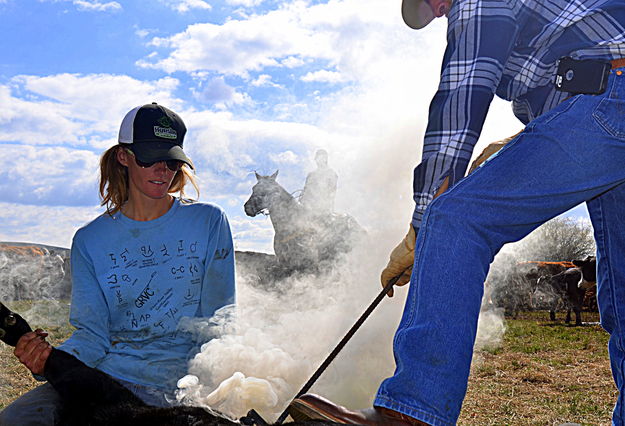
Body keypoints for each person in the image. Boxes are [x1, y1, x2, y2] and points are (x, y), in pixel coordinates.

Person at [288, 0, 625, 425]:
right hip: (609, 103)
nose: (441, 10)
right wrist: (530, 137)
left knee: (456, 218)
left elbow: (463, 92)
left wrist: (421, 225)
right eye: (433, 12)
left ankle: (415, 410)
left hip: (613, 96)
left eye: (434, 3)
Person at [0, 103, 236, 426]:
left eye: (170, 160)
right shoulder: (89, 241)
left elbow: (220, 323)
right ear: (123, 156)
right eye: (148, 157)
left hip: (179, 386)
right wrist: (48, 360)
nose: (162, 170)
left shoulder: (209, 223)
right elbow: (93, 335)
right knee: (14, 419)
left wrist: (206, 389)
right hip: (104, 379)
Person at [300, 149, 338, 214]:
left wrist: (323, 205)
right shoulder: (311, 175)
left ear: (325, 159)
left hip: (323, 210)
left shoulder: (331, 174)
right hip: (307, 207)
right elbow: (305, 190)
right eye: (317, 159)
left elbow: (331, 193)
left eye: (319, 158)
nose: (317, 161)